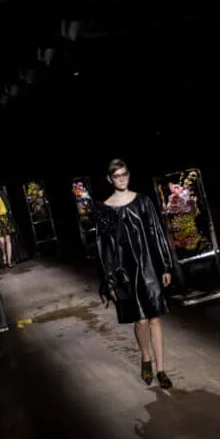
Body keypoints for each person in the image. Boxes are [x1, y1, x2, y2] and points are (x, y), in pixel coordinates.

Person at [95, 159, 175, 389]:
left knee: (154, 318)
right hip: (126, 272)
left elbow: (157, 232)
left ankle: (161, 370)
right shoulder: (105, 209)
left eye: (124, 174)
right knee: (140, 320)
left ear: (129, 175)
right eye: (117, 176)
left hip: (149, 266)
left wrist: (165, 265)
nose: (121, 179)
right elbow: (105, 250)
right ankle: (146, 357)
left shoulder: (143, 201)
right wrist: (110, 281)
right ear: (110, 179)